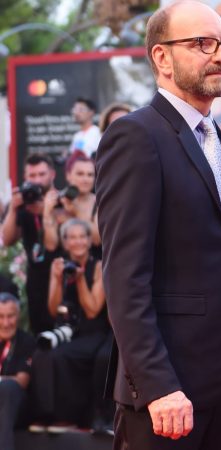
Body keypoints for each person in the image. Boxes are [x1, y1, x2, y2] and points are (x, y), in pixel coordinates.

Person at [95, 1, 221, 449]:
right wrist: (158, 384)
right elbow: (125, 279)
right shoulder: (135, 136)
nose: (220, 55)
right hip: (166, 397)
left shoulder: (219, 141)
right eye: (203, 43)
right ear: (161, 58)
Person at [31, 218, 110, 430]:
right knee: (41, 353)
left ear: (89, 240)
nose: (77, 242)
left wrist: (80, 279)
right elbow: (53, 309)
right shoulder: (58, 265)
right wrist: (57, 280)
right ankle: (45, 415)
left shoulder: (99, 266)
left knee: (62, 356)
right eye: (72, 237)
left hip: (96, 332)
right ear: (65, 243)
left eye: (82, 237)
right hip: (69, 330)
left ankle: (71, 418)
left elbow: (93, 310)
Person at [1, 154, 61, 334]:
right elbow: (9, 239)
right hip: (35, 276)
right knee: (39, 332)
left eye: (41, 174)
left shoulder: (61, 200)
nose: (37, 180)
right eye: (32, 176)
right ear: (25, 177)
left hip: (60, 273)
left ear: (52, 174)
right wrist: (12, 209)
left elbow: (55, 242)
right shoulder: (23, 203)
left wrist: (46, 211)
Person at [0, 293, 35, 450]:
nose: (6, 323)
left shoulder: (26, 341)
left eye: (10, 316)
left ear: (18, 315)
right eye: (0, 317)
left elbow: (22, 380)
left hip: (17, 406)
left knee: (8, 387)